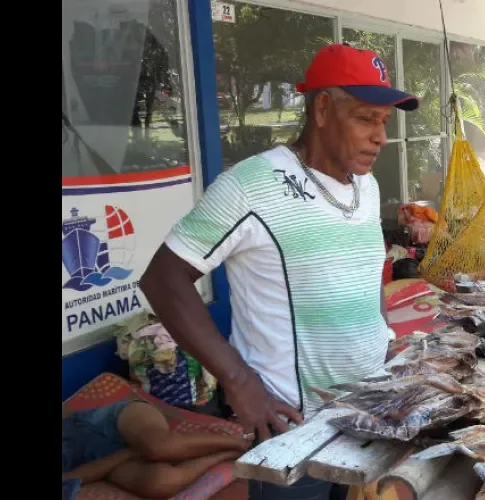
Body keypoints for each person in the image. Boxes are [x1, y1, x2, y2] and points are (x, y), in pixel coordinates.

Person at [139, 43, 419, 499]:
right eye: (367, 118)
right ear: (323, 108)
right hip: (293, 429)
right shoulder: (251, 185)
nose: (380, 137)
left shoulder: (366, 187)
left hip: (370, 413)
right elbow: (163, 278)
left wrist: (384, 341)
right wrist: (239, 381)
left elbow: (364, 277)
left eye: (384, 122)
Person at [62, 400, 250, 499]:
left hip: (106, 423)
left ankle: (238, 442)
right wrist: (131, 454)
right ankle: (228, 455)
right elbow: (75, 478)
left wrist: (135, 452)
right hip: (98, 462)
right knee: (161, 483)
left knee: (158, 447)